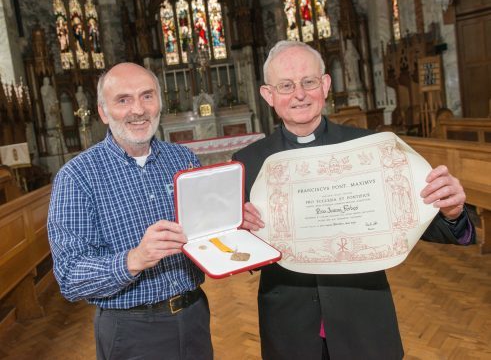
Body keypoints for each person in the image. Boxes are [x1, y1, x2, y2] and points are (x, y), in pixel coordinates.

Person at [232, 40, 475, 360]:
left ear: (326, 85)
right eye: (286, 85)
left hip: (364, 321)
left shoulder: (372, 147)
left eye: (309, 82)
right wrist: (244, 235)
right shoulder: (247, 161)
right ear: (268, 95)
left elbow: (422, 223)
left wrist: (452, 212)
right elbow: (239, 253)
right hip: (289, 327)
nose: (299, 94)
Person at [48, 63, 213, 360]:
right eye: (123, 100)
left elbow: (205, 229)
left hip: (194, 315)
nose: (138, 109)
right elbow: (69, 276)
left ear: (159, 102)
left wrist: (235, 224)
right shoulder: (77, 176)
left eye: (147, 96)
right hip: (132, 328)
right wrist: (134, 259)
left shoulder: (183, 158)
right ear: (103, 111)